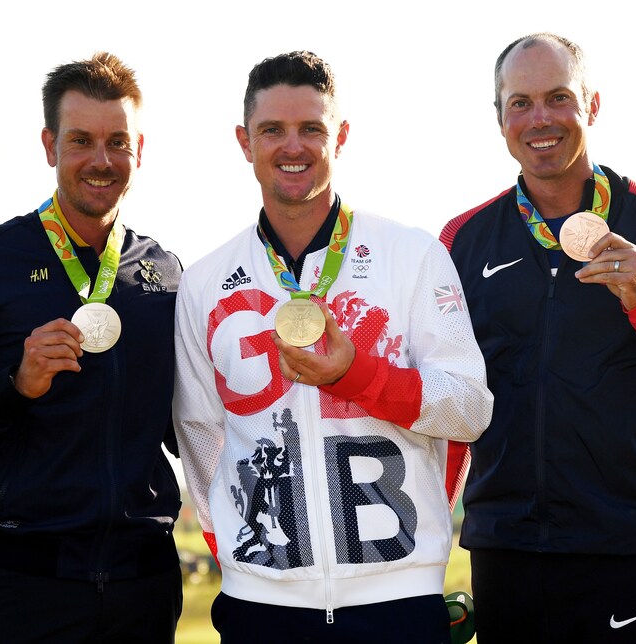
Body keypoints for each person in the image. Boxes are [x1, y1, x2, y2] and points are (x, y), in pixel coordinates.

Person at [441, 32, 636, 643]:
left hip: (630, 552)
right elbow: (449, 410)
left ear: (591, 104)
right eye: (521, 102)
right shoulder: (460, 242)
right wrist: (426, 552)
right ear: (499, 117)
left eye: (559, 97)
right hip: (505, 553)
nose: (541, 119)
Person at [172, 50, 494, 644]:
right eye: (273, 130)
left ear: (339, 136)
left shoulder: (411, 255)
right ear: (245, 141)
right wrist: (248, 560)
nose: (292, 147)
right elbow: (199, 435)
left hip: (398, 598)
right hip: (260, 605)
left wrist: (356, 375)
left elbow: (470, 410)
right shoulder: (204, 280)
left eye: (311, 129)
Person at [0, 52, 183, 643]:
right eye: (81, 140)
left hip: (142, 590)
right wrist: (12, 388)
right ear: (50, 146)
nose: (101, 161)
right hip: (20, 592)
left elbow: (191, 428)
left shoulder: (167, 273)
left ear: (140, 150)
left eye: (117, 142)